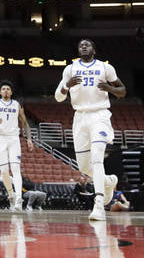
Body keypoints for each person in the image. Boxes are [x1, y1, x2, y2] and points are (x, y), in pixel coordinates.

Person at [54, 39, 126, 221]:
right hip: (80, 118)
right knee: (84, 166)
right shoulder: (69, 69)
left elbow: (123, 91)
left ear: (94, 49)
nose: (83, 47)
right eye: (80, 45)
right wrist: (66, 86)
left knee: (97, 157)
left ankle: (99, 204)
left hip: (100, 116)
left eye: (87, 45)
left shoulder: (105, 67)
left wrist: (109, 88)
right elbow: (58, 97)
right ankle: (109, 181)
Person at [0, 80, 35, 212]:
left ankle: (18, 198)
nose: (6, 90)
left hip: (13, 138)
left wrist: (29, 139)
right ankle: (11, 194)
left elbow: (25, 124)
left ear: (11, 92)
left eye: (8, 89)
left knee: (16, 168)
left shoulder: (17, 105)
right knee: (4, 171)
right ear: (0, 92)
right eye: (3, 89)